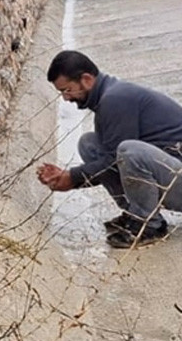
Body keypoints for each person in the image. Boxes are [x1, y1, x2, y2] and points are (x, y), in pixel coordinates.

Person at [37, 50, 182, 248]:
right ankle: (134, 213)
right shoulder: (111, 96)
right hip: (172, 173)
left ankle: (148, 225)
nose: (65, 98)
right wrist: (71, 178)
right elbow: (110, 159)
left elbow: (115, 160)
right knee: (89, 144)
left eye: (68, 90)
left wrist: (71, 177)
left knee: (129, 151)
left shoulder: (116, 99)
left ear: (86, 79)